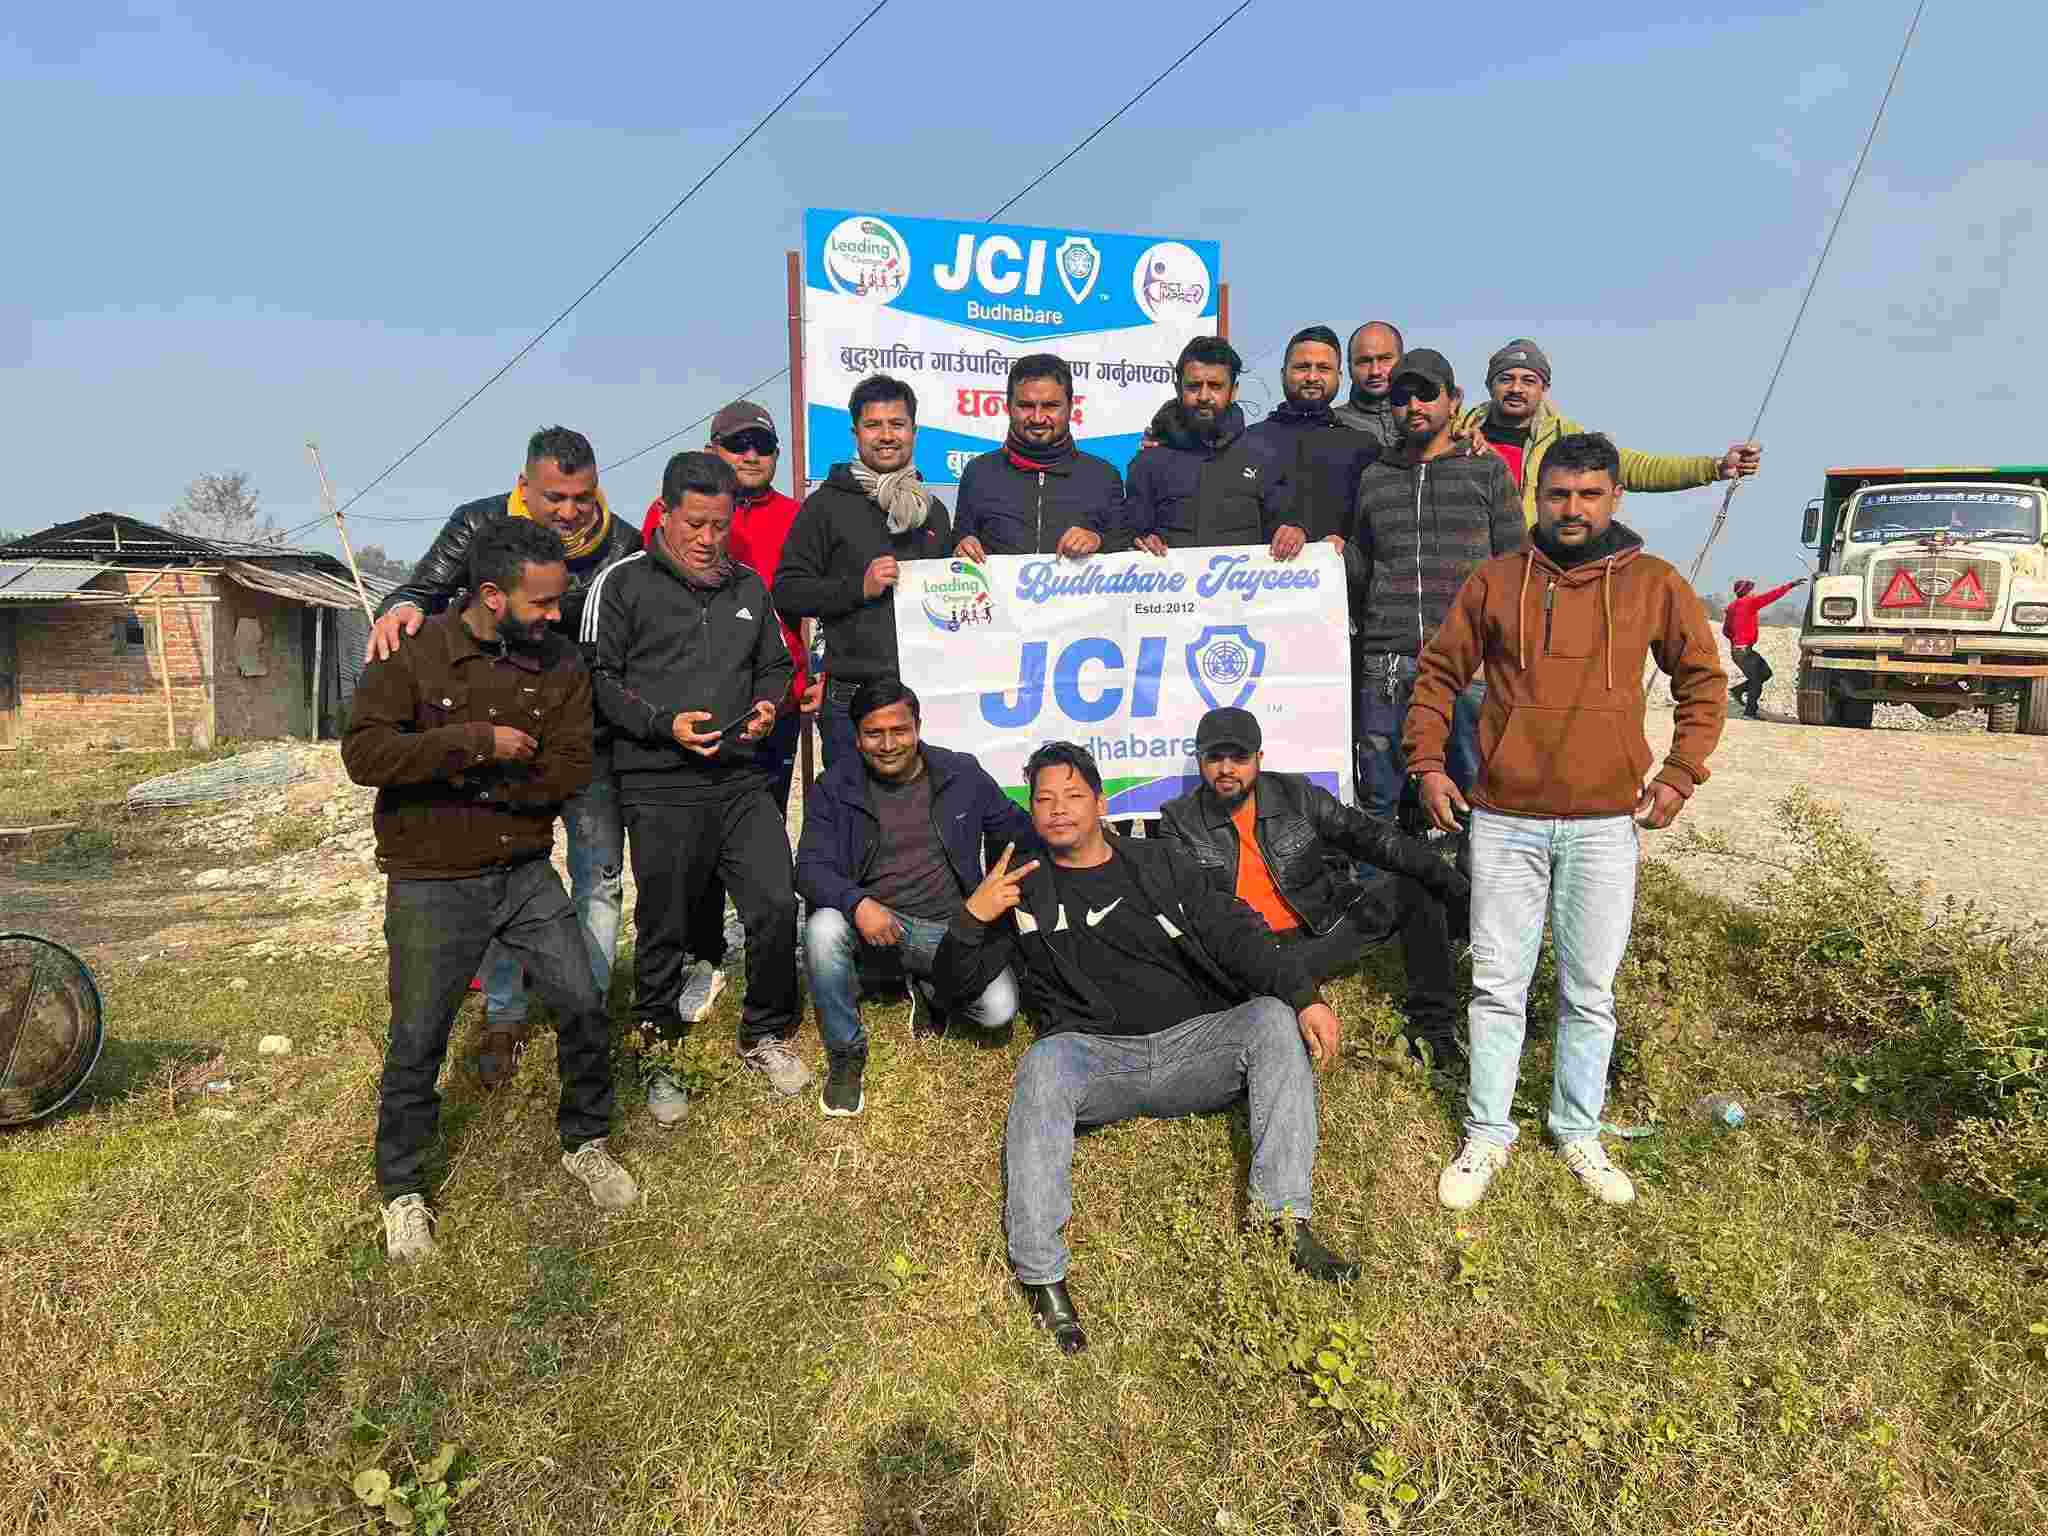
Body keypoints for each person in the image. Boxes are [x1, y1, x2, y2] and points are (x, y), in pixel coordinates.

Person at [934, 742, 1360, 1357]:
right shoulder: (1020, 886)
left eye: (1073, 796)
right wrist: (971, 919)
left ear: (1101, 803)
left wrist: (1304, 997)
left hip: (1192, 1045)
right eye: (1044, 799)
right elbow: (955, 989)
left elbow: (1235, 932)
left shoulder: (1158, 861)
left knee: (1271, 1019)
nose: (1058, 809)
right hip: (1096, 1058)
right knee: (1043, 1064)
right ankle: (1043, 1276)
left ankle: (1283, 1222)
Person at [1406, 433, 1727, 1212]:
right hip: (1504, 820)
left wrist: (1681, 772)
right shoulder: (1495, 580)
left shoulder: (1653, 582)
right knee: (1497, 987)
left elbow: (1703, 680)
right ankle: (1487, 1132)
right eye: (1558, 494)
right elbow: (1438, 674)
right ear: (1537, 498)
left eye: (1588, 494)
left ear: (1616, 497)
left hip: (1604, 824)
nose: (1572, 509)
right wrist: (1428, 765)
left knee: (1590, 992)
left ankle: (1577, 1129)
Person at [343, 518, 636, 1263]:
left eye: (559, 600)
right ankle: (403, 1190)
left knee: (581, 1000)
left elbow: (568, 766)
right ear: (492, 596)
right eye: (541, 603)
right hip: (432, 878)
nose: (556, 616)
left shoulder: (561, 663)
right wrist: (476, 744)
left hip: (523, 871)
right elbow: (365, 754)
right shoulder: (414, 651)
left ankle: (586, 1140)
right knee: (419, 1036)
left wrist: (467, 787)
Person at [364, 426, 643, 1088]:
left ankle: (585, 1007)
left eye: (583, 497)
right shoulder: (478, 525)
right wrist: (399, 607)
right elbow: (422, 590)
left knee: (599, 878)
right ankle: (505, 1012)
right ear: (524, 487)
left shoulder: (623, 545)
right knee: (498, 869)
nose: (570, 512)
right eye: (555, 497)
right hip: (500, 740)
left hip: (589, 737)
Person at [585, 451, 804, 1121]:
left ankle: (765, 1032)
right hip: (659, 782)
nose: (709, 539)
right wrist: (663, 725)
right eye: (695, 524)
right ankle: (657, 1051)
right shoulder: (621, 582)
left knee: (775, 904)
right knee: (664, 923)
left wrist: (767, 703)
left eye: (720, 525)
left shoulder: (748, 587)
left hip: (740, 779)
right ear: (665, 514)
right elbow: (597, 681)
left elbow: (777, 666)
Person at [1351, 348, 1524, 1053]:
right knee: (1378, 800)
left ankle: (1478, 930)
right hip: (1387, 664)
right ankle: (1374, 932)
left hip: (1471, 671)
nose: (1413, 407)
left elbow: (1515, 567)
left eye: (1427, 395)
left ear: (1454, 401)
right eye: (1402, 396)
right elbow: (1361, 566)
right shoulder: (1374, 477)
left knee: (1480, 799)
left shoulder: (1488, 472)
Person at [641, 400, 820, 1023]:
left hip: (775, 699)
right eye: (737, 443)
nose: (750, 454)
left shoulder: (795, 516)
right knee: (695, 846)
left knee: (759, 833)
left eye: (762, 445)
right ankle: (704, 954)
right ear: (712, 450)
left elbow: (810, 604)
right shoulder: (671, 513)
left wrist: (806, 678)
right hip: (695, 709)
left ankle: (763, 952)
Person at [794, 678, 1036, 1117]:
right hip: (877, 927)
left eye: (899, 730)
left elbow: (1016, 828)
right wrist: (857, 903)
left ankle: (929, 985)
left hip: (954, 931)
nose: (888, 745)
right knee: (823, 928)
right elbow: (808, 868)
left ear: (918, 727)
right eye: (874, 733)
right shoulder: (835, 786)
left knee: (998, 1011)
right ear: (857, 736)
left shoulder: (961, 773)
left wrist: (1079, 838)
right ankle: (846, 1055)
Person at [1154, 707, 1469, 994]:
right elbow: (1191, 912)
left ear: (1259, 758)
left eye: (1238, 757)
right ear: (1200, 760)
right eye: (1214, 758)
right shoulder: (1179, 821)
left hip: (1320, 933)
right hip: (1249, 956)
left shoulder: (1297, 794)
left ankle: (1434, 1027)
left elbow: (1371, 838)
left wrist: (1453, 884)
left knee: (1413, 889)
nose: (1226, 769)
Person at [775, 374, 953, 767]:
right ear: (856, 433)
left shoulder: (934, 511)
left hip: (927, 693)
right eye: (874, 425)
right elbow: (787, 591)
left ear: (914, 431)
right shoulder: (825, 506)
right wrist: (859, 587)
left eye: (897, 424)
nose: (886, 436)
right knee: (852, 805)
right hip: (851, 700)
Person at [1458, 339, 1763, 526]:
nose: (1516, 388)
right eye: (1506, 379)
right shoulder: (1457, 431)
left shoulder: (1565, 439)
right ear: (1489, 385)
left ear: (1544, 388)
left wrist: (1715, 467)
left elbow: (1636, 468)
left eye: (1528, 380)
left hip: (1527, 569)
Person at [1124, 336, 1293, 554]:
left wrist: (1295, 531)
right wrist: (1139, 540)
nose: (1204, 396)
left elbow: (1286, 529)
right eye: (1194, 386)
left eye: (1215, 386)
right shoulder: (1147, 461)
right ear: (1178, 389)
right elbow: (1129, 535)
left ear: (1233, 391)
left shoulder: (1265, 456)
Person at [953, 354, 1124, 560]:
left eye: (1051, 406)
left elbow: (1125, 551)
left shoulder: (1104, 476)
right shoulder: (978, 472)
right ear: (1008, 407)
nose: (1037, 418)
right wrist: (962, 547)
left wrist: (1098, 540)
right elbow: (957, 545)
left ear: (1070, 407)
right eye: (1025, 406)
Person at [1245, 325, 1380, 559]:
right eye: (1302, 367)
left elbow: (1375, 534)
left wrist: (1348, 551)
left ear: (1339, 377)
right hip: (1256, 578)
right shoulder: (1247, 441)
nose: (1312, 377)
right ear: (1283, 373)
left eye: (1324, 368)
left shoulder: (1364, 448)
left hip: (1338, 580)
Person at [1723, 576, 1803, 718]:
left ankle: (1738, 691)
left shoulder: (1731, 607)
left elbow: (1726, 631)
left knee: (1765, 673)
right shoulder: (1749, 603)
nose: (1754, 593)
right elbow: (1771, 596)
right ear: (1746, 592)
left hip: (1739, 651)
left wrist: (1735, 640)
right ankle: (1750, 712)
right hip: (1743, 651)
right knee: (1756, 680)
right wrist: (1790, 585)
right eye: (1751, 590)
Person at [1332, 321, 1405, 447]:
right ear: (1349, 368)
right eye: (1364, 361)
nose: (1375, 371)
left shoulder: (1425, 419)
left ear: (1402, 361)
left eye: (1385, 359)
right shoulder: (1331, 425)